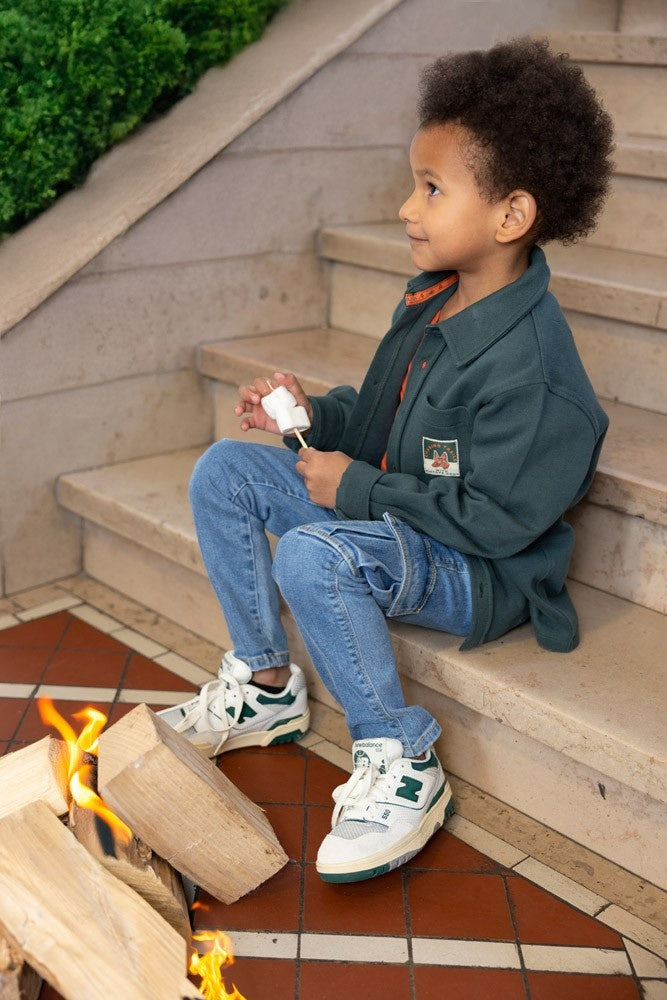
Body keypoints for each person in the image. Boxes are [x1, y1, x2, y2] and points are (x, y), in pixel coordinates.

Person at [159, 37, 613, 883]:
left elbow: (497, 524)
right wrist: (311, 416)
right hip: (398, 517)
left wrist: (357, 489)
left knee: (312, 553)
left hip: (479, 571)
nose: (406, 208)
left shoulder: (537, 379)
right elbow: (377, 418)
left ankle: (400, 757)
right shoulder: (433, 298)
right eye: (414, 183)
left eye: (431, 188)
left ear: (510, 216)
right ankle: (265, 686)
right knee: (225, 468)